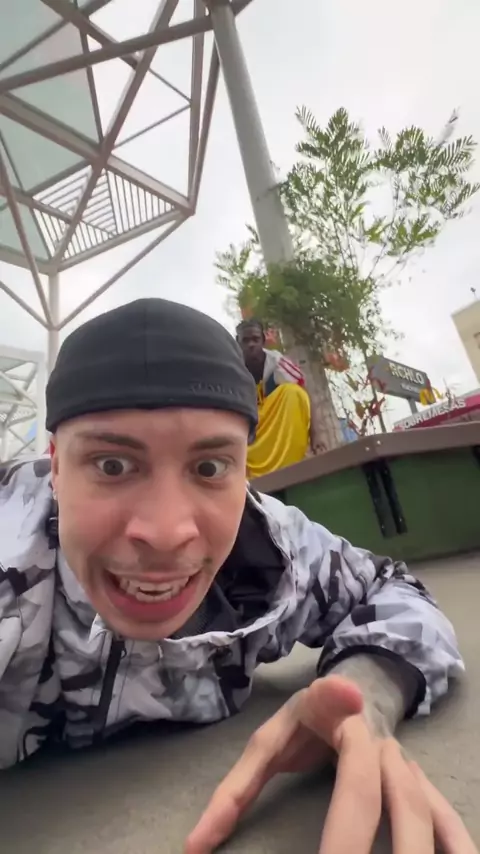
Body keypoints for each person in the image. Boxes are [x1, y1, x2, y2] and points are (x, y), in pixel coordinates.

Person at [0, 298, 476, 854]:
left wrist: (366, 694)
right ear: (55, 466)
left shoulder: (270, 550)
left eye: (209, 467)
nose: (167, 533)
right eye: (112, 465)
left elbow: (391, 587)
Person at [236, 318, 320, 477]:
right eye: (245, 341)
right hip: (249, 428)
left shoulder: (277, 362)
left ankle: (291, 461)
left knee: (293, 392)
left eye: (255, 339)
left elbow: (304, 393)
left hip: (273, 422)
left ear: (263, 340)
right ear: (237, 342)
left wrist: (316, 436)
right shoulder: (232, 370)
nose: (251, 345)